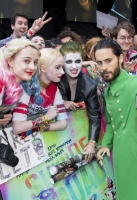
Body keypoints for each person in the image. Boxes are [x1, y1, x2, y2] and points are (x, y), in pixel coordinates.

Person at [95, 38, 137, 200]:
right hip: (121, 155)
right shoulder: (107, 92)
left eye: (108, 61)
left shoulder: (134, 84)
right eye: (99, 63)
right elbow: (112, 124)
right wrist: (106, 144)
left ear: (120, 58)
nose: (104, 68)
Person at [58, 41, 101, 163]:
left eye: (77, 61)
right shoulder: (54, 78)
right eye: (68, 62)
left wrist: (92, 142)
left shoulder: (90, 85)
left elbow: (94, 116)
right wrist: (62, 103)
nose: (74, 66)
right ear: (62, 63)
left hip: (75, 134)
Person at [12, 48, 67, 137]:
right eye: (58, 67)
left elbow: (63, 124)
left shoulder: (55, 89)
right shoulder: (26, 87)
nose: (63, 72)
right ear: (43, 68)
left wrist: (40, 127)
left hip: (34, 139)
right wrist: (45, 118)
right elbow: (17, 128)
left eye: (62, 67)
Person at [0, 38, 40, 126]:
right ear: (10, 61)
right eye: (26, 61)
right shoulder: (0, 83)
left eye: (35, 62)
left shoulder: (23, 88)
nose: (32, 67)